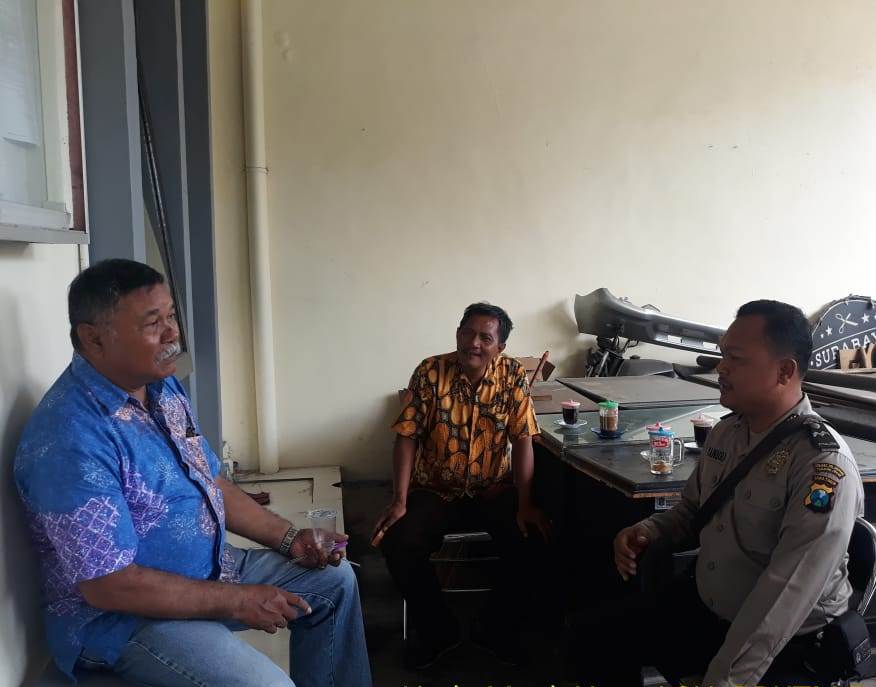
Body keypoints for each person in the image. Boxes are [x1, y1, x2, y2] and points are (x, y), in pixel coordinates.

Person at [15, 259, 372, 687]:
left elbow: (210, 480)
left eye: (171, 316)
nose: (172, 334)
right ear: (94, 338)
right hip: (123, 621)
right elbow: (108, 585)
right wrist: (236, 601)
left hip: (209, 568)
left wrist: (291, 539)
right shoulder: (71, 439)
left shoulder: (159, 385)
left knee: (334, 581)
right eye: (153, 323)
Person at [573, 300, 863, 687]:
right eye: (723, 354)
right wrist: (650, 530)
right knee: (592, 638)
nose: (722, 367)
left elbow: (785, 596)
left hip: (787, 642)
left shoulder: (821, 463)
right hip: (709, 607)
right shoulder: (727, 432)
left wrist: (724, 680)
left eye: (736, 358)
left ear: (784, 371)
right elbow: (693, 509)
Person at [371, 302, 551, 669]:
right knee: (398, 540)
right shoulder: (430, 371)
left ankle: (495, 629)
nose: (474, 343)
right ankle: (438, 631)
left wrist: (525, 503)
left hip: (493, 489)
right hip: (436, 490)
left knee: (534, 537)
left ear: (500, 347)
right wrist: (399, 500)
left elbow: (523, 440)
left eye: (485, 337)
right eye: (467, 333)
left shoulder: (513, 375)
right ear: (457, 334)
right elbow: (406, 436)